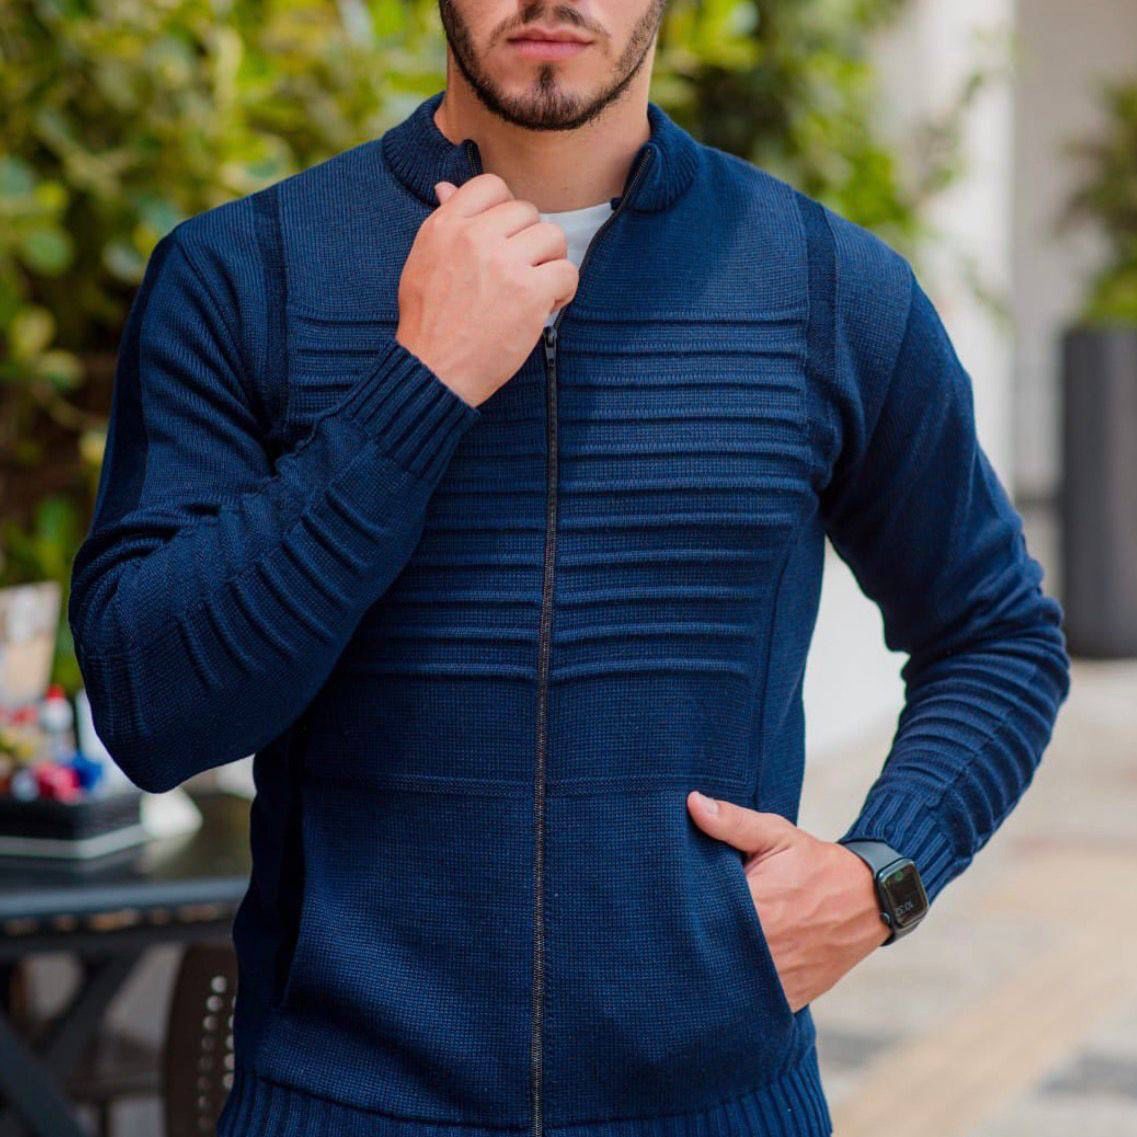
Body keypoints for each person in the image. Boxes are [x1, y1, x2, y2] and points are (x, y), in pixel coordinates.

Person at [68, 3, 1072, 1136]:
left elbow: (995, 636)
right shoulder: (243, 274)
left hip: (717, 1105)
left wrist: (883, 873)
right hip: (340, 1102)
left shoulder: (829, 286)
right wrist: (421, 383)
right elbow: (152, 711)